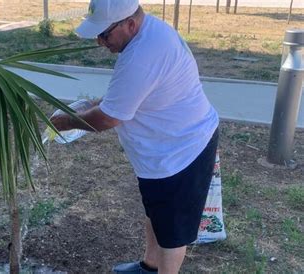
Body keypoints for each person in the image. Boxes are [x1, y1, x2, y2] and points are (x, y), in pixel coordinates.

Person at [50, 0, 219, 273]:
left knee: (172, 232)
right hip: (162, 151)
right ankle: (149, 266)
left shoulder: (142, 55)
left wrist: (66, 122)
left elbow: (108, 118)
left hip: (182, 152)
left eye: (105, 34)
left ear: (129, 23)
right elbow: (127, 96)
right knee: (156, 213)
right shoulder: (145, 35)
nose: (100, 42)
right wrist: (92, 104)